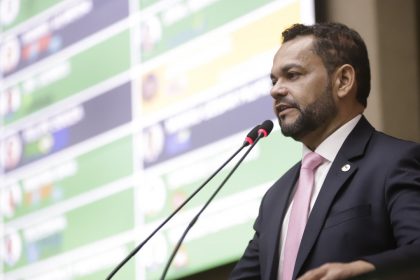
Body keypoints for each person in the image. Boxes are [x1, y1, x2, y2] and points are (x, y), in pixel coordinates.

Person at [230, 22, 420, 280]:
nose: (275, 90)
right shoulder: (276, 197)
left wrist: (362, 270)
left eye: (293, 75)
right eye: (274, 80)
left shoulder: (395, 162)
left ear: (343, 81)